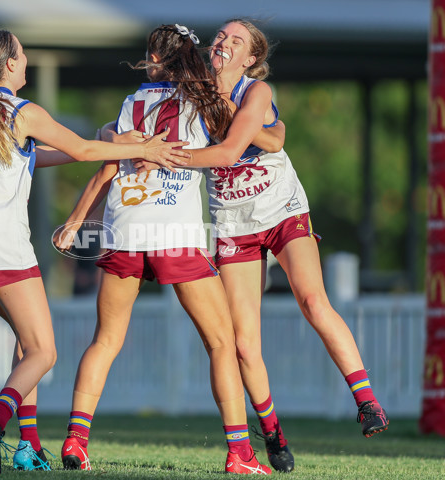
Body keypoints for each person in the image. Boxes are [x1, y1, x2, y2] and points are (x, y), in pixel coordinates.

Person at [137, 18, 390, 472]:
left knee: (313, 301)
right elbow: (269, 136)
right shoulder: (193, 90)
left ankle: (367, 400)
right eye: (220, 37)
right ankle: (271, 430)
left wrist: (167, 156)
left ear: (251, 58)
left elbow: (230, 153)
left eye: (237, 41)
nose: (224, 43)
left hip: (280, 209)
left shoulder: (254, 92)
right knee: (243, 344)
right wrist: (114, 141)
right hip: (233, 222)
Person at [0, 28, 190, 474]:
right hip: (2, 245)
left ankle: (30, 446)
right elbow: (81, 147)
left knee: (26, 339)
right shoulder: (23, 110)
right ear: (11, 63)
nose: (26, 58)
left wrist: (102, 147)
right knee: (45, 351)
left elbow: (33, 157)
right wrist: (142, 146)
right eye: (22, 52)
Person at [54, 24, 278, 475]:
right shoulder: (206, 100)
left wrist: (76, 222)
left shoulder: (131, 102)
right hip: (174, 232)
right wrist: (274, 131)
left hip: (124, 229)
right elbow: (250, 140)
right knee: (222, 343)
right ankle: (240, 453)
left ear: (153, 59)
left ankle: (76, 441)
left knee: (106, 339)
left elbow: (106, 165)